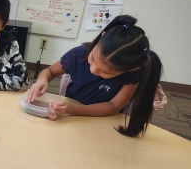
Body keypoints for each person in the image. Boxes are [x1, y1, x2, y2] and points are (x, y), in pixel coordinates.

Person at [27, 15, 162, 137]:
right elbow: (50, 71)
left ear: (132, 68)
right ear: (102, 37)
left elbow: (113, 106)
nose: (93, 70)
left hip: (104, 120)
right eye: (92, 59)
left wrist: (75, 110)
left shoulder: (134, 74)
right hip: (69, 116)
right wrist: (41, 80)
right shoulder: (79, 54)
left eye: (105, 72)